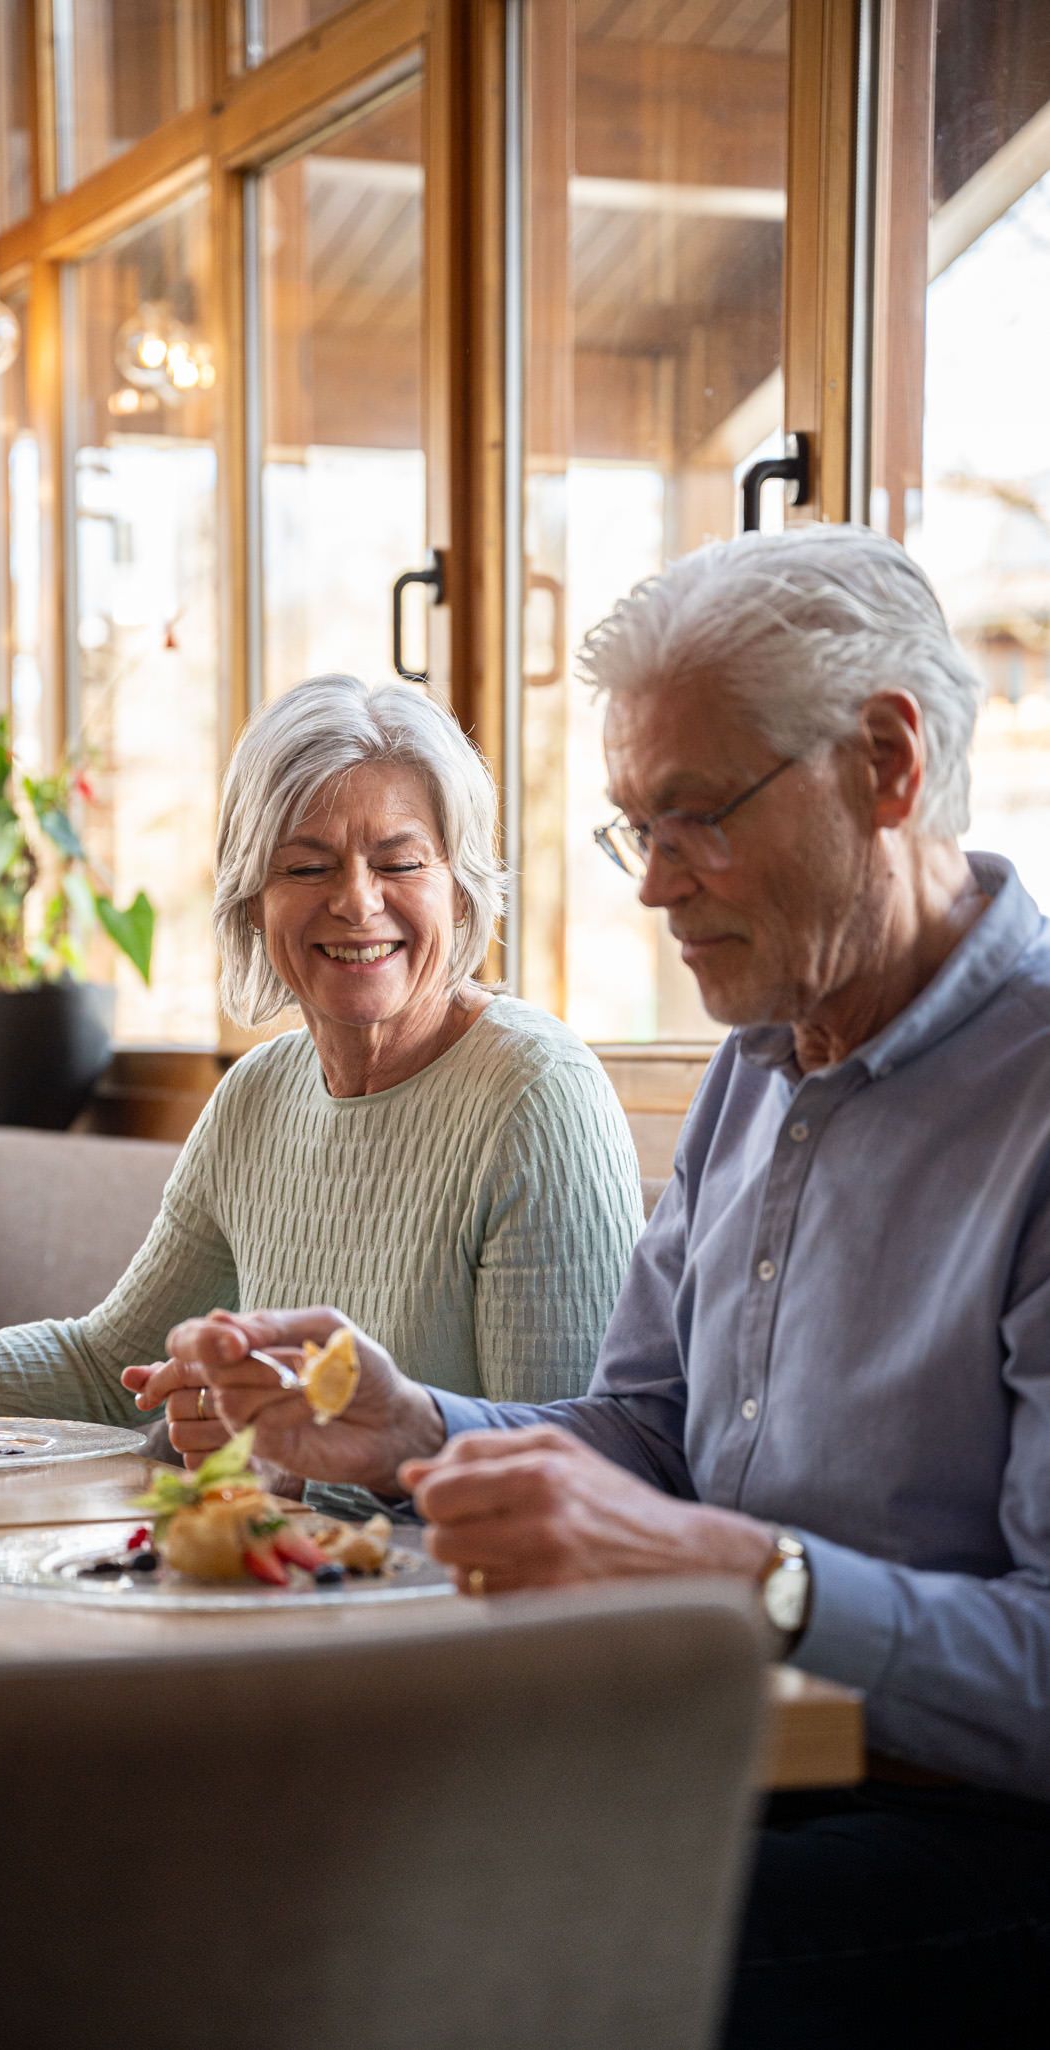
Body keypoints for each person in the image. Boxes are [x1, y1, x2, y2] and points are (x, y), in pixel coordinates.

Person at [138, 530, 1050, 2047]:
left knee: (405, 1944)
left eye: (696, 817)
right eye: (636, 829)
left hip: (976, 1833)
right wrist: (412, 1430)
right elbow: (644, 1429)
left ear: (886, 765)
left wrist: (742, 1569)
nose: (655, 885)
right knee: (234, 1850)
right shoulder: (755, 1067)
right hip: (728, 1755)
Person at [0, 675, 643, 1455]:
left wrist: (309, 1447)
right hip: (290, 1579)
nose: (358, 902)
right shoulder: (257, 1095)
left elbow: (571, 1466)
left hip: (452, 1602)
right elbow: (110, 1370)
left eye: (401, 863)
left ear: (462, 890)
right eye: (307, 866)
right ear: (252, 901)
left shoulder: (536, 1092)